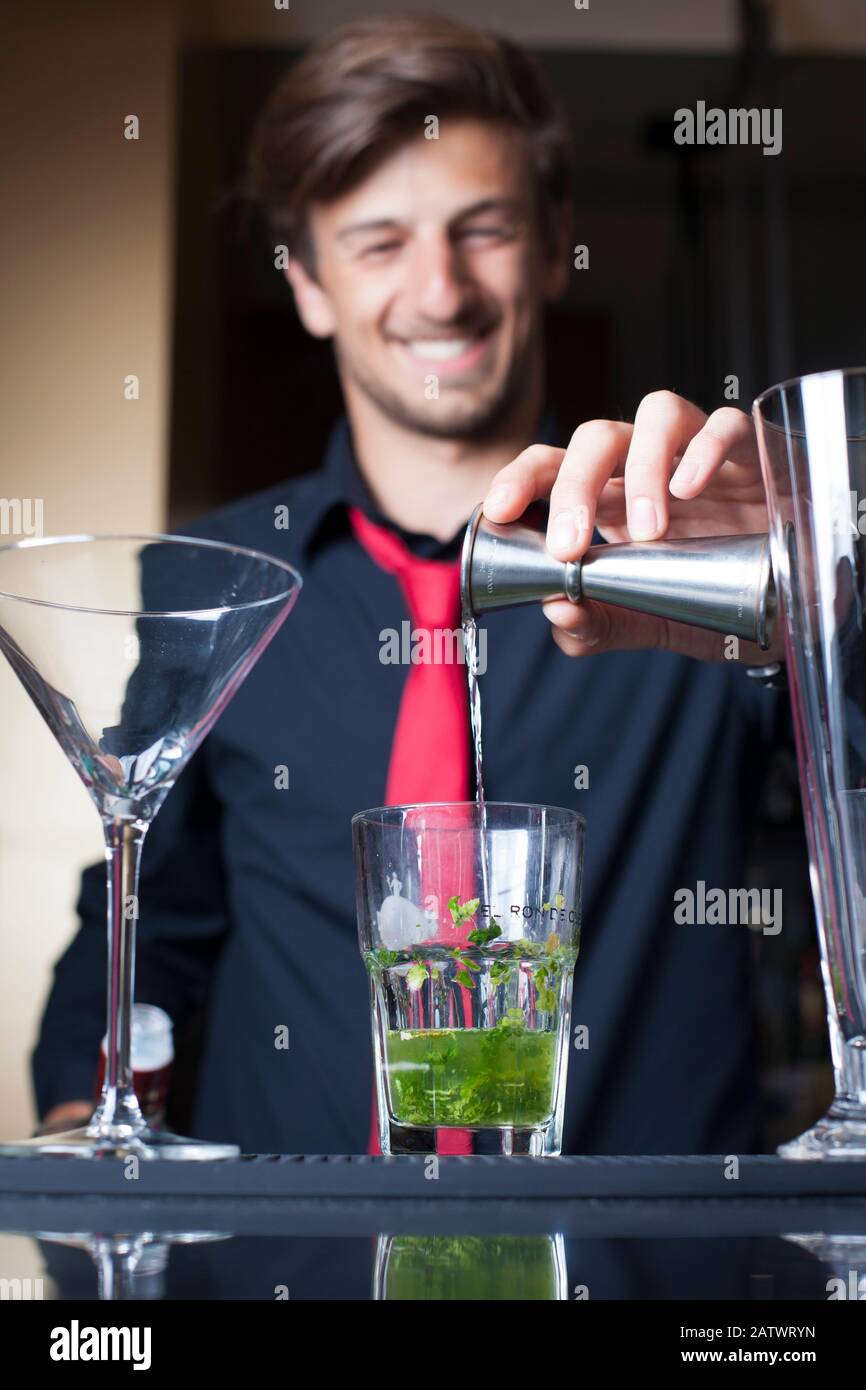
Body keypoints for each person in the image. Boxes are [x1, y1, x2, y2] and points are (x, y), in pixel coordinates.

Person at [33, 14, 786, 1156]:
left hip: (638, 1246)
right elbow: (144, 922)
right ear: (307, 284)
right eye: (378, 242)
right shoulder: (213, 583)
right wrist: (91, 1154)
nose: (440, 291)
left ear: (553, 244)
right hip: (285, 1249)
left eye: (483, 229)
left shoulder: (693, 559)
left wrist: (812, 576)